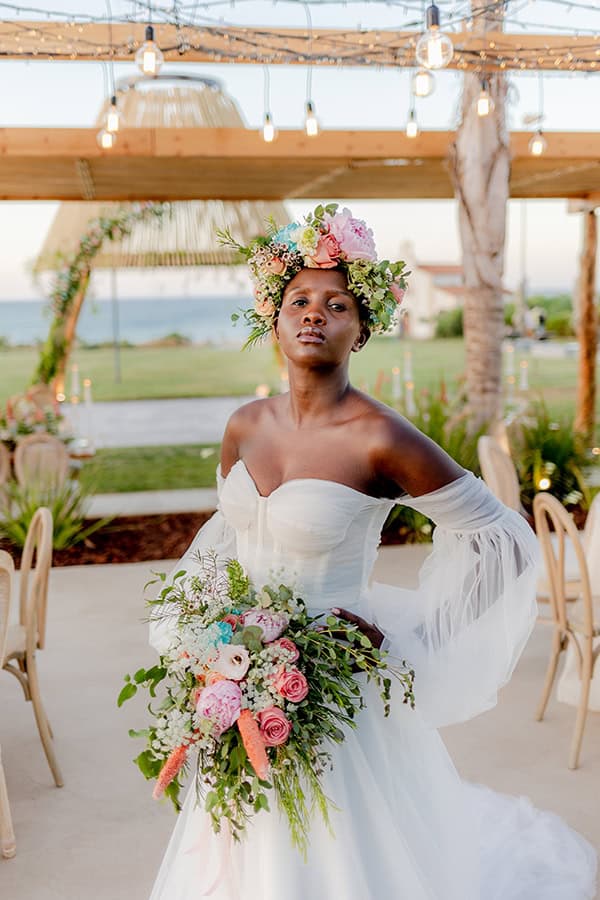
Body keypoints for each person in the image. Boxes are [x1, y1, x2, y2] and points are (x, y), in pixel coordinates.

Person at [148, 205, 596, 900]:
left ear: (363, 329)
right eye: (299, 299)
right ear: (274, 318)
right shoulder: (244, 425)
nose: (314, 314)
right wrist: (209, 638)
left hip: (333, 691)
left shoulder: (381, 438)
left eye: (337, 304)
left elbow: (504, 542)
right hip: (238, 679)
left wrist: (415, 640)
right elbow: (230, 536)